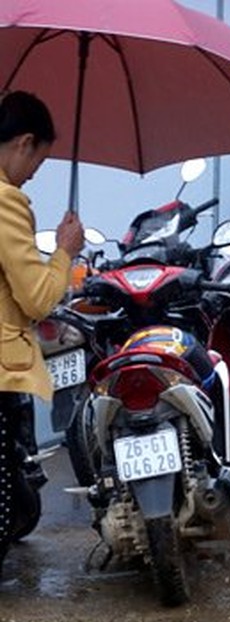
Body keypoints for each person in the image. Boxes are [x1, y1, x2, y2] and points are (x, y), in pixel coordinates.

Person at [0, 91, 83, 573]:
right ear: (24, 143)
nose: (34, 173)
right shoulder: (7, 203)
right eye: (39, 160)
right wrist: (65, 251)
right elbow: (36, 298)